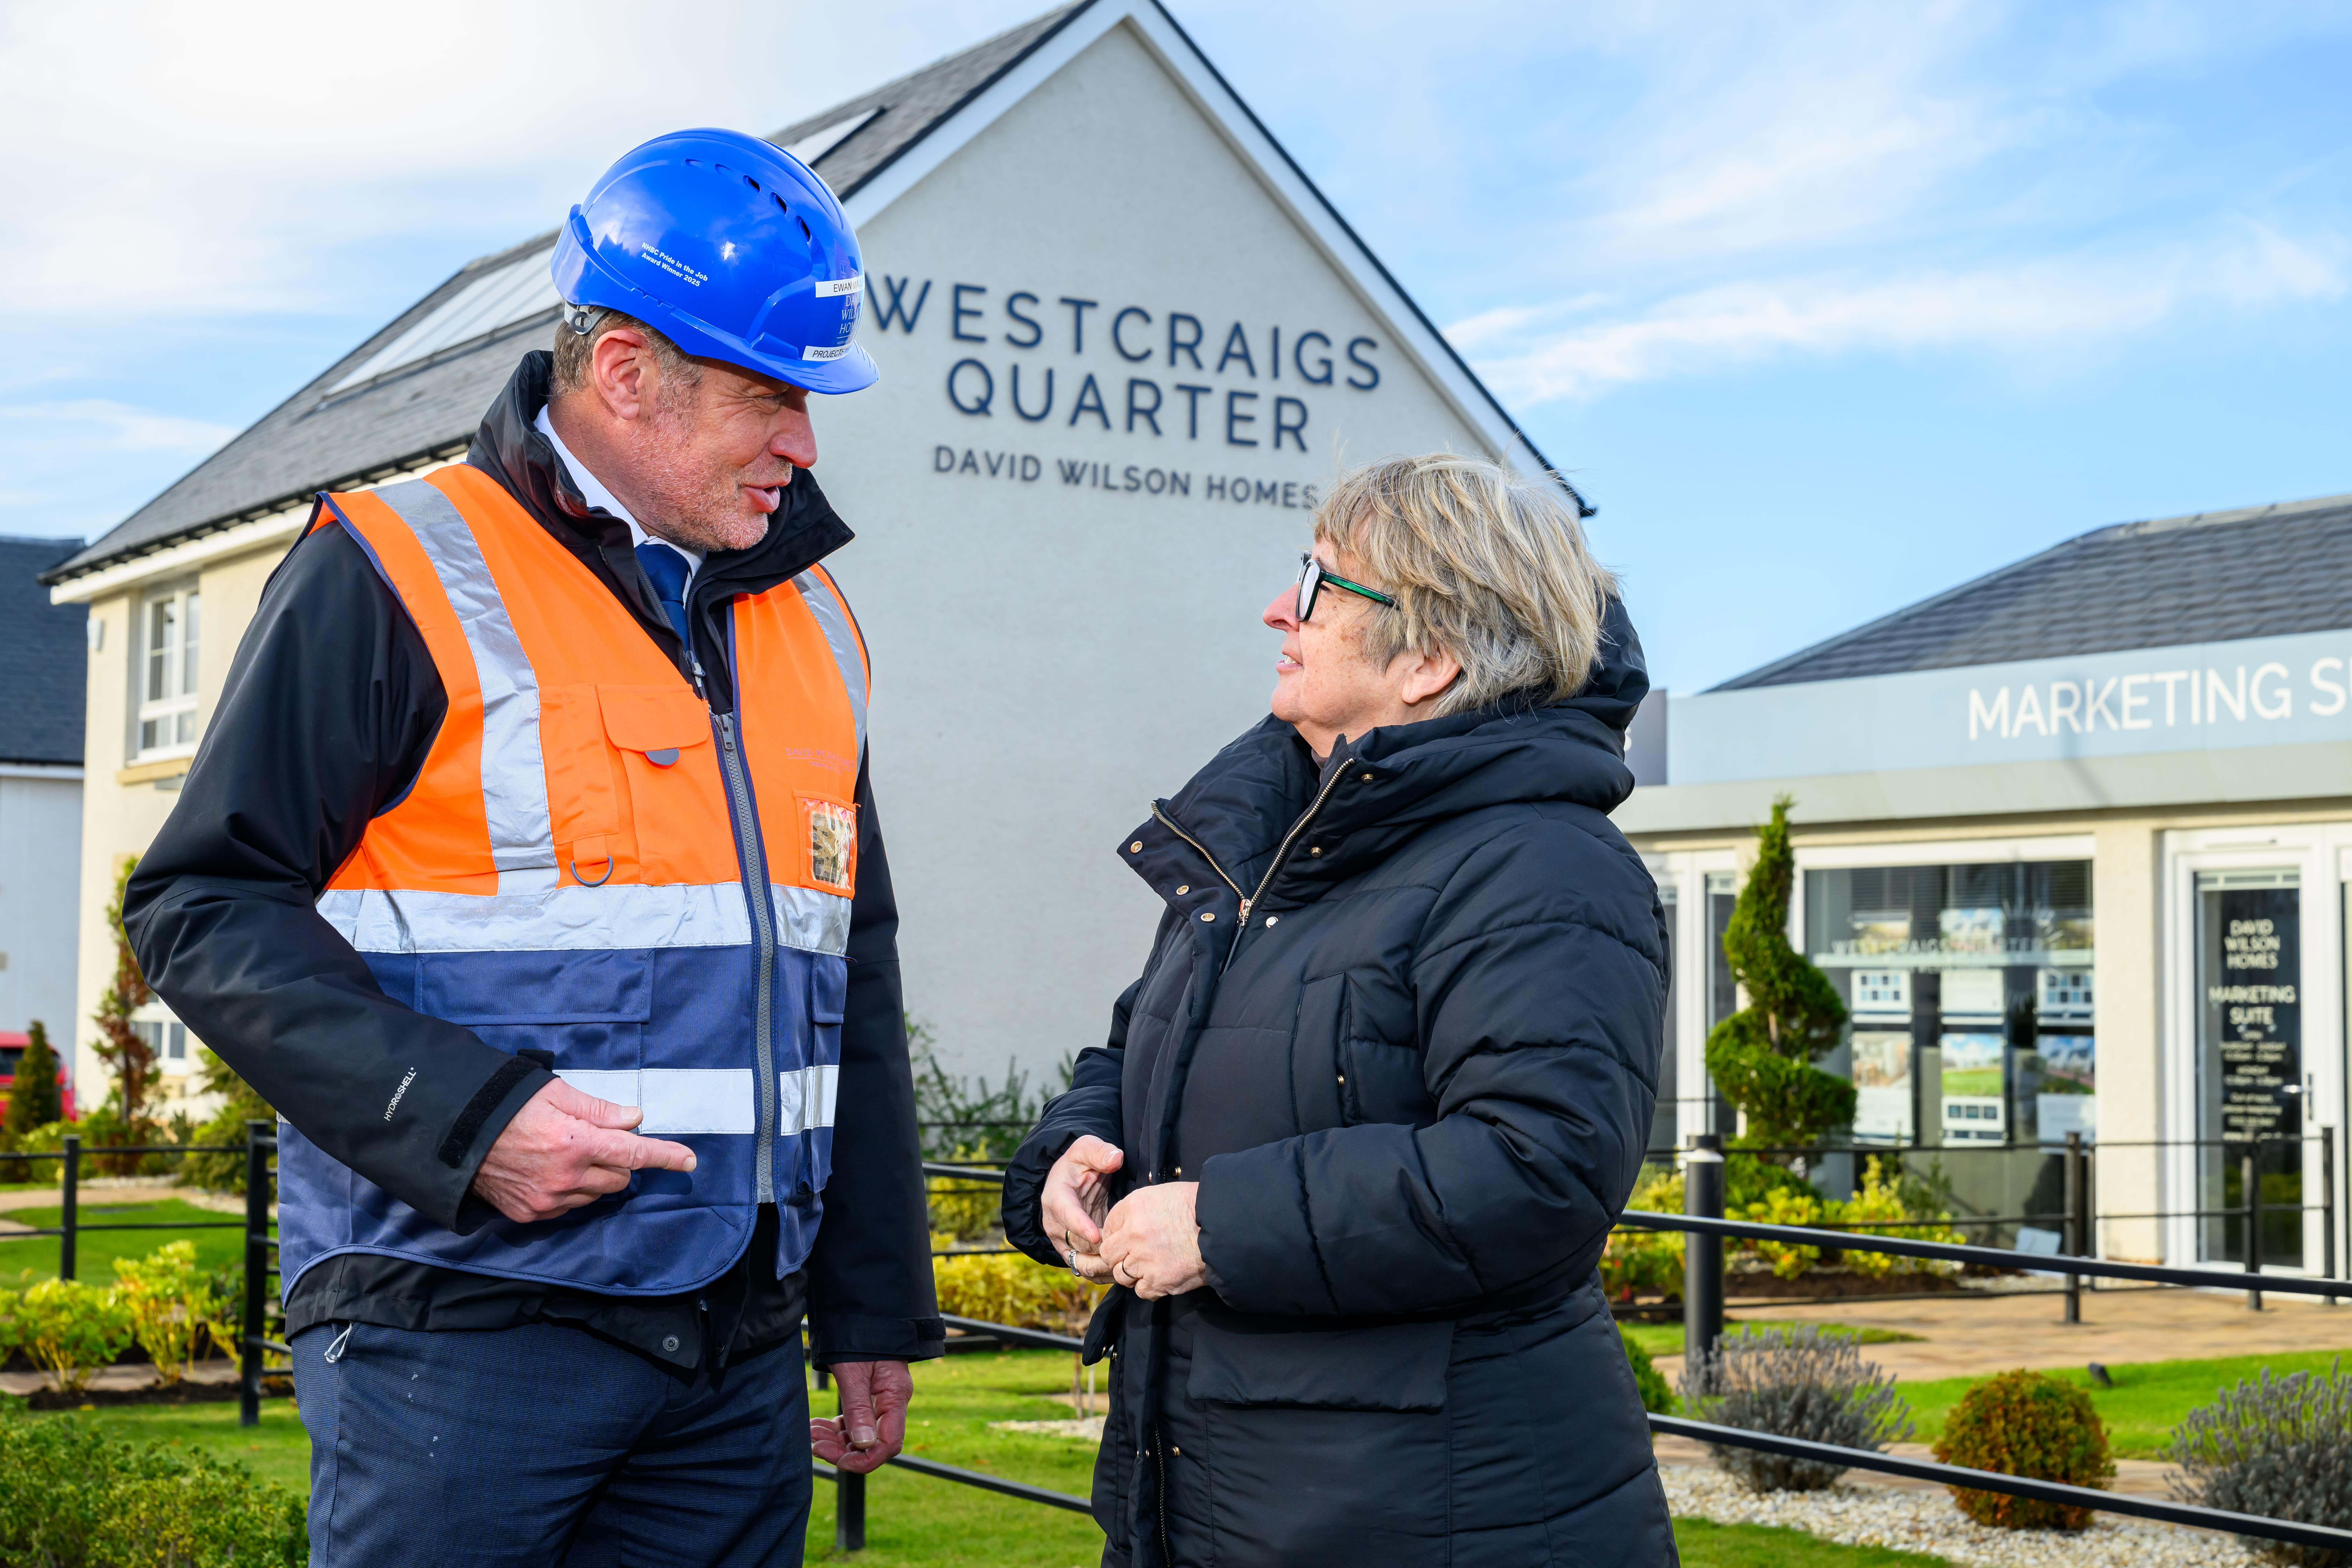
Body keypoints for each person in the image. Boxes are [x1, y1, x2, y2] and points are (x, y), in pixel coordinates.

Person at [126, 128, 940, 1567]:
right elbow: (203, 901)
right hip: (463, 1326)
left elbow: (845, 975)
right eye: (770, 396)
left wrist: (871, 1301)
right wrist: (469, 1117)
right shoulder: (394, 566)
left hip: (736, 1351)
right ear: (624, 373)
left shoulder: (814, 625)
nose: (806, 444)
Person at [1002, 454, 1676, 1567]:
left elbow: (1541, 1165)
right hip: (1220, 1495)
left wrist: (1220, 1225)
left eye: (1320, 587)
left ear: (1429, 658)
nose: (1279, 610)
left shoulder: (1543, 866)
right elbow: (1138, 1054)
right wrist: (1068, 1158)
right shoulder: (1264, 847)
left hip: (1426, 1515)